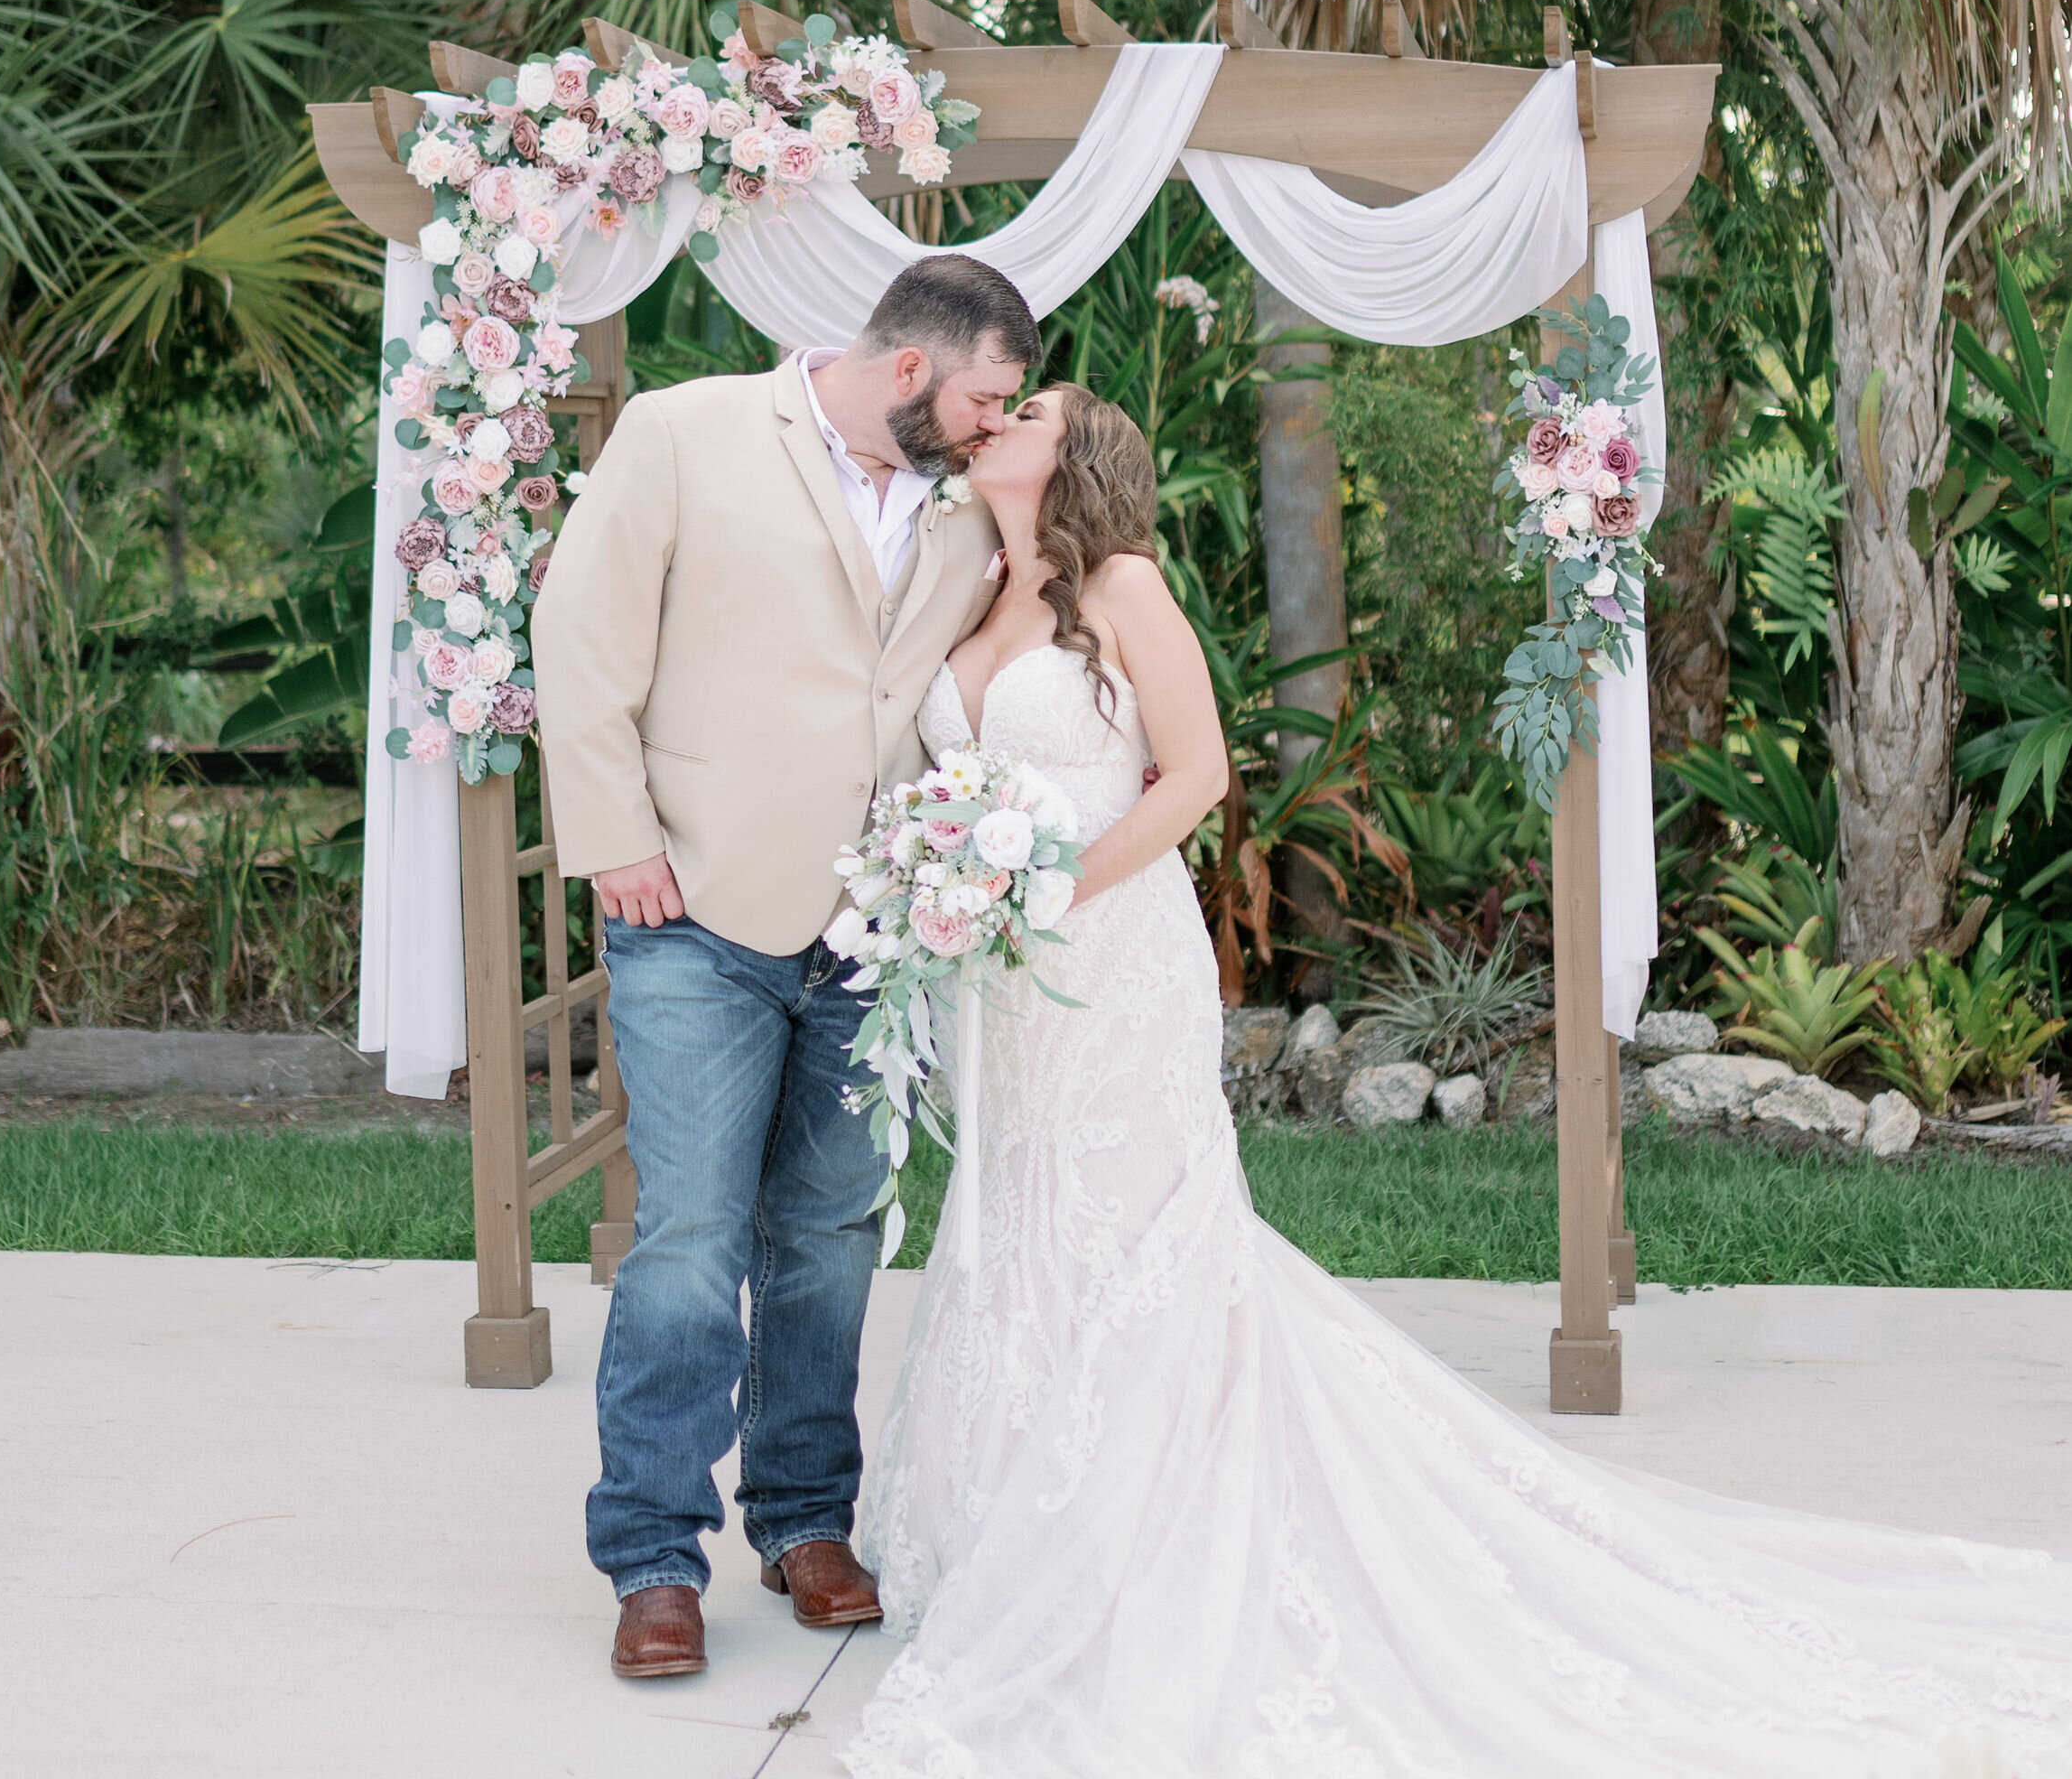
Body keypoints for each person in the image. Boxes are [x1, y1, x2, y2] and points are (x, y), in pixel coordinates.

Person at [847, 383, 2072, 1779]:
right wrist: (943, 880)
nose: (997, 420)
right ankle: (1015, 1520)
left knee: (1132, 1234)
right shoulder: (972, 580)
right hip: (1003, 981)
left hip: (1109, 957)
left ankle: (1136, 1536)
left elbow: (1189, 781)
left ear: (1080, 453)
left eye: (1031, 410)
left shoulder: (1124, 585)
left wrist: (1049, 886)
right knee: (1018, 1221)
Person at [533, 254, 1037, 1685]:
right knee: (689, 1242)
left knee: (828, 1240)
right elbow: (581, 635)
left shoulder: (964, 509)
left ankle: (806, 1521)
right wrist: (616, 836)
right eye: (985, 397)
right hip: (691, 905)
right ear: (908, 370)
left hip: (872, 936)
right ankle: (651, 1555)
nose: (996, 426)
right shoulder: (688, 431)